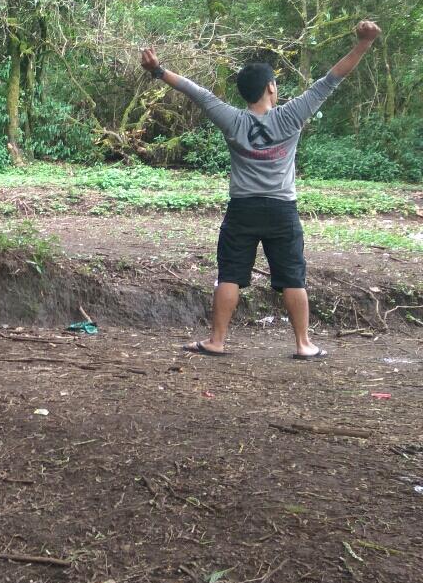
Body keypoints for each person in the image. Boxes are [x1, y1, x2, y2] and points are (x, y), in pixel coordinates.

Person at [140, 20, 382, 360]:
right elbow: (332, 78)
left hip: (242, 209)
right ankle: (303, 344)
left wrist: (157, 70)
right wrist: (364, 43)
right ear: (271, 87)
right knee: (293, 276)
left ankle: (217, 341)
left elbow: (194, 91)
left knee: (230, 274)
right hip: (282, 210)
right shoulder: (291, 116)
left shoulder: (231, 119)